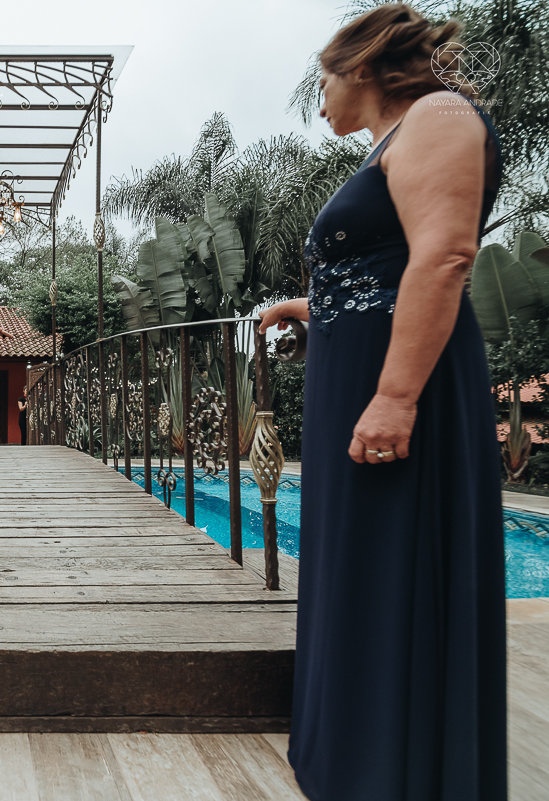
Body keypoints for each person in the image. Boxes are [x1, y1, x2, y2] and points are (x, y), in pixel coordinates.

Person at [258, 4, 505, 799]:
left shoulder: (435, 114)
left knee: (394, 555)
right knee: (357, 558)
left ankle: (393, 770)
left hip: (402, 384)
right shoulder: (393, 141)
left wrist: (396, 396)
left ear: (358, 66)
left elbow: (443, 256)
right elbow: (388, 260)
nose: (318, 100)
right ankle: (353, 754)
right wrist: (309, 309)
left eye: (320, 81)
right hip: (353, 372)